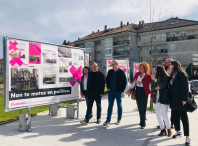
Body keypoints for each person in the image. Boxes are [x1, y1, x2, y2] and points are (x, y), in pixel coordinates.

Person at [169, 60, 191, 145]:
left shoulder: (182, 74)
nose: (169, 66)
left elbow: (185, 87)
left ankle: (187, 137)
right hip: (174, 101)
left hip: (181, 100)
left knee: (184, 119)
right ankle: (178, 131)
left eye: (170, 65)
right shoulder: (173, 75)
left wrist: (184, 99)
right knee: (175, 117)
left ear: (174, 65)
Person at [126, 62, 153, 129]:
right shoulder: (137, 74)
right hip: (138, 91)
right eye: (139, 68)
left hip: (144, 92)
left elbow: (147, 85)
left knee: (143, 107)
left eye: (141, 68)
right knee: (139, 106)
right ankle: (143, 118)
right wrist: (129, 89)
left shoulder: (148, 76)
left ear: (145, 68)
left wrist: (139, 82)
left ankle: (142, 123)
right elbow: (133, 82)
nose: (140, 69)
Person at [103, 60, 127, 126]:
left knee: (119, 105)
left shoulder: (121, 72)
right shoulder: (110, 72)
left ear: (117, 64)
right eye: (111, 65)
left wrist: (121, 90)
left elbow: (124, 82)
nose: (112, 66)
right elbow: (107, 80)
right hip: (111, 92)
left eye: (113, 64)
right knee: (110, 105)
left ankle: (119, 119)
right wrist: (108, 87)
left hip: (118, 92)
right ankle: (108, 120)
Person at [151, 66, 172, 136]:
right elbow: (152, 86)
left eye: (156, 70)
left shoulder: (165, 76)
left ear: (159, 70)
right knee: (158, 114)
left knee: (164, 114)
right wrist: (157, 87)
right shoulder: (156, 77)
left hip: (163, 98)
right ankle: (162, 129)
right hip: (156, 98)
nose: (155, 71)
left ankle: (169, 128)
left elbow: (163, 85)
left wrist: (156, 80)